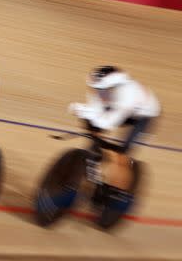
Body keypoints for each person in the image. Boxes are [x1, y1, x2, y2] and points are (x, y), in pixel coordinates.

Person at [68, 65, 160, 199]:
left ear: (115, 87)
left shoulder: (127, 94)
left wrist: (84, 112)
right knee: (94, 132)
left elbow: (109, 122)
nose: (96, 92)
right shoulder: (102, 88)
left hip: (144, 116)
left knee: (123, 153)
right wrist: (88, 121)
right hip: (123, 109)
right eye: (95, 88)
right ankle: (92, 163)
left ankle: (120, 193)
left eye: (100, 89)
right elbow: (96, 110)